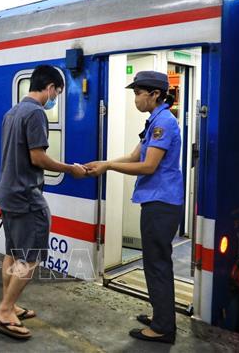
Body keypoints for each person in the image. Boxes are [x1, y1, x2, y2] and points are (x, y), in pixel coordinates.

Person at [84, 70, 183, 345]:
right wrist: (102, 164)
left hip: (161, 204)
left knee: (157, 264)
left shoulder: (164, 123)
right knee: (154, 262)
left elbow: (148, 165)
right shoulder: (155, 121)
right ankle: (161, 317)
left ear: (154, 94)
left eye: (138, 93)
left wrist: (108, 166)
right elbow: (133, 156)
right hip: (157, 202)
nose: (136, 99)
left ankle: (163, 328)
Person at [0, 65, 87, 340]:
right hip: (26, 195)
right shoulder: (36, 113)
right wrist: (71, 169)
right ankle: (5, 309)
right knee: (31, 257)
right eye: (57, 92)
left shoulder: (12, 112)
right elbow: (38, 158)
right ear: (50, 88)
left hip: (8, 192)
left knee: (12, 251)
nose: (55, 97)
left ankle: (10, 304)